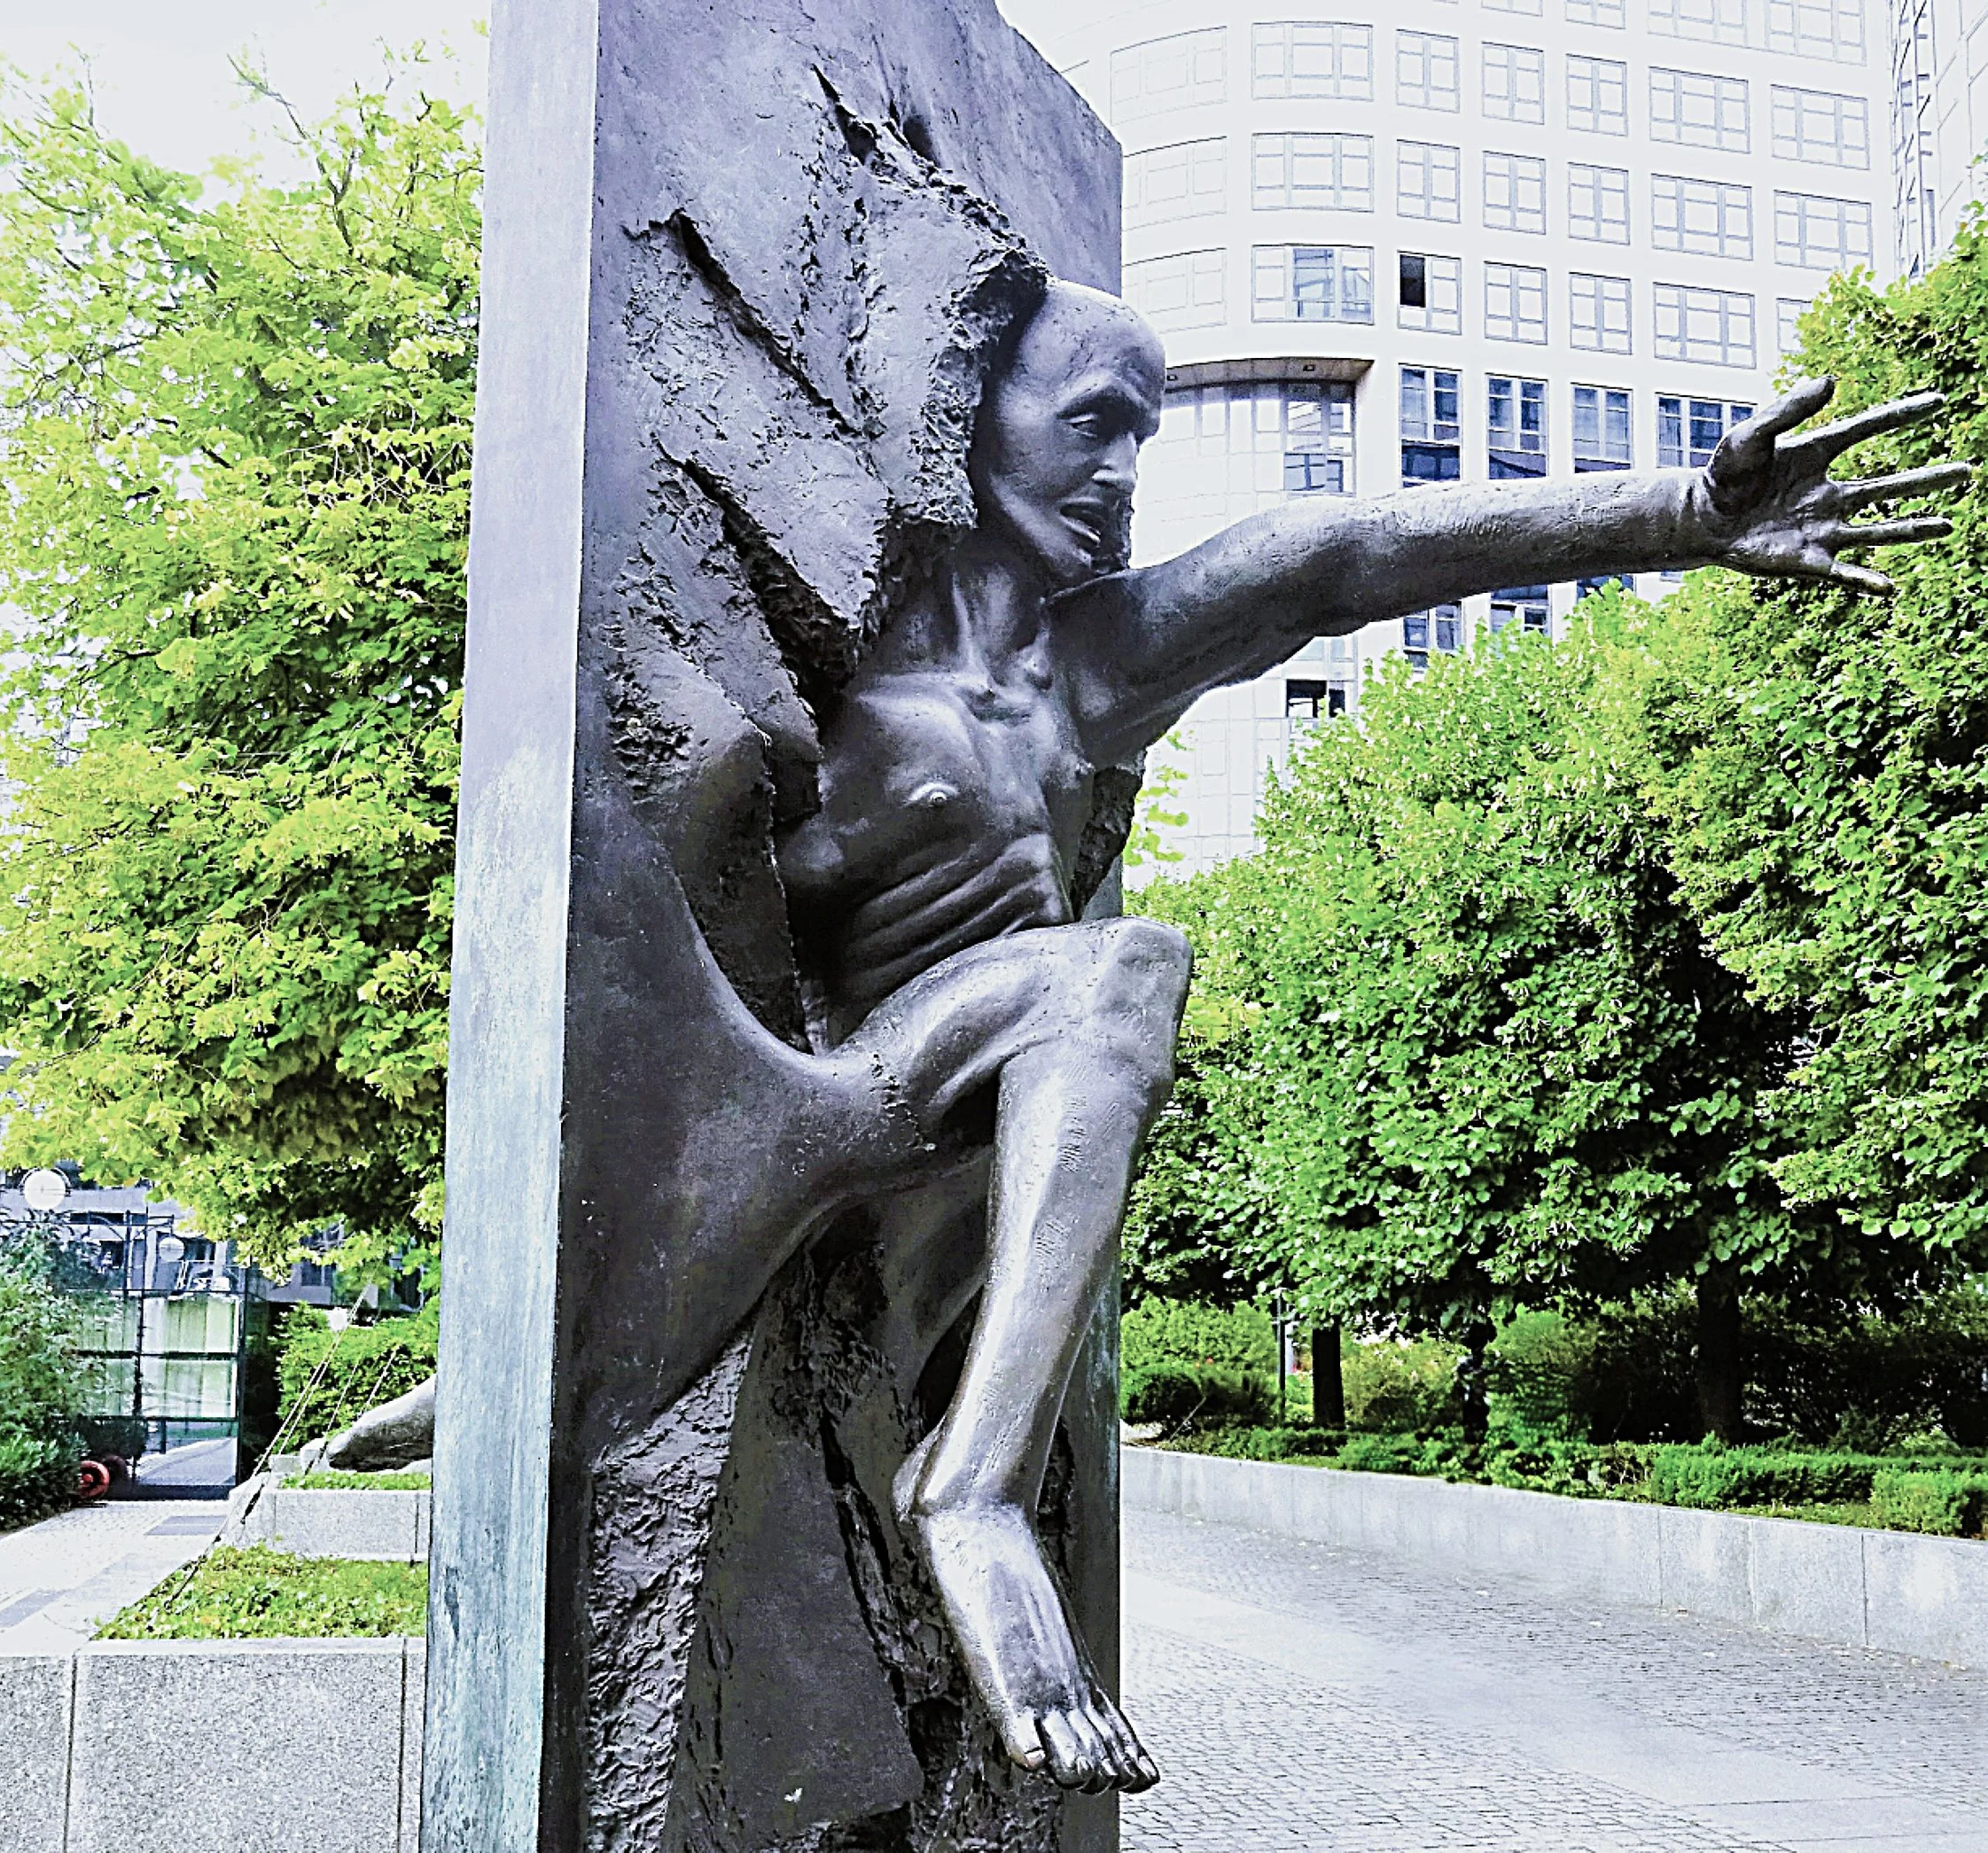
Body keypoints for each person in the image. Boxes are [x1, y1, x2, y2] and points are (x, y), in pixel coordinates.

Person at [768, 280, 1968, 1795]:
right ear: (968, 415)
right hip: (845, 1109)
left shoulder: (1091, 669)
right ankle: (971, 1492)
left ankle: (964, 1458)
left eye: (1143, 434)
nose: (1124, 473)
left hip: (971, 1180)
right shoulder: (832, 686)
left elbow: (1338, 555)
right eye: (1090, 424)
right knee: (1125, 969)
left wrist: (1678, 509)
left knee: (1102, 987)